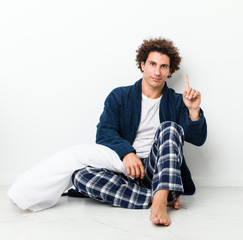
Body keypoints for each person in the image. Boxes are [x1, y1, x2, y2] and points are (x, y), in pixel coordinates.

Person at [70, 37, 207, 226]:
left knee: (170, 128)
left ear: (169, 71)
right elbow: (104, 132)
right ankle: (157, 196)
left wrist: (193, 111)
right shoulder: (119, 96)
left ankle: (159, 200)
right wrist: (126, 153)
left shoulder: (177, 101)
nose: (157, 72)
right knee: (80, 176)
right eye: (152, 64)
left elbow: (197, 139)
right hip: (125, 169)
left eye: (163, 67)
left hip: (159, 169)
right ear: (142, 64)